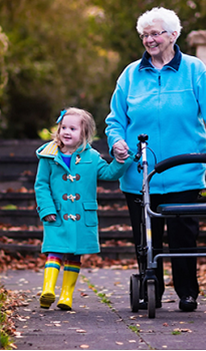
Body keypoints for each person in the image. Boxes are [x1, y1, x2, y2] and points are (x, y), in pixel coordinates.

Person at [105, 7, 206, 312]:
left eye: (155, 34)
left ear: (173, 35)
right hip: (140, 172)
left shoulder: (194, 70)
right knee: (146, 237)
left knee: (183, 236)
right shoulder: (130, 75)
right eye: (145, 35)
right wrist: (117, 143)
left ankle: (187, 292)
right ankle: (150, 284)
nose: (149, 40)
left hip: (184, 169)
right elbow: (116, 120)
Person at [35, 107, 133, 310]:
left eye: (73, 128)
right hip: (57, 214)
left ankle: (66, 296)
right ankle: (48, 289)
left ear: (85, 133)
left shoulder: (92, 157)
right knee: (54, 250)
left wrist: (123, 160)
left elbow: (108, 173)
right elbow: (41, 184)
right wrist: (46, 209)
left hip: (81, 216)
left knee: (74, 255)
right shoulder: (48, 156)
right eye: (63, 127)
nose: (67, 132)